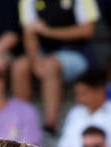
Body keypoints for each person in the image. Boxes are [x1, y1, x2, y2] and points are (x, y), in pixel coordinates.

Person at [12, 0, 101, 134]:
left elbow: (87, 30)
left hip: (77, 53)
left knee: (50, 65)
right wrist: (35, 61)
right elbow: (29, 31)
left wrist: (48, 31)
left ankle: (50, 126)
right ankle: (21, 124)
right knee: (19, 66)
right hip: (42, 53)